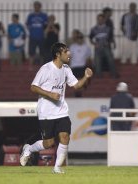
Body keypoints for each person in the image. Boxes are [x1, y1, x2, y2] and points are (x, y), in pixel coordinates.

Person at [20, 42, 93, 173]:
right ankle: (28, 149)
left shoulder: (66, 69)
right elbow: (33, 87)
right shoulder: (46, 69)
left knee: (65, 137)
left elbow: (76, 85)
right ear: (58, 54)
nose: (69, 53)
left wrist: (86, 77)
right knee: (48, 143)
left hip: (61, 111)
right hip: (46, 112)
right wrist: (49, 94)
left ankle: (57, 167)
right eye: (66, 51)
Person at [90, 13, 119, 78]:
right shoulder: (94, 29)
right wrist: (94, 44)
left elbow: (111, 38)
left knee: (110, 60)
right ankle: (98, 75)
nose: (100, 21)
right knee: (97, 61)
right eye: (98, 19)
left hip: (106, 47)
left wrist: (110, 43)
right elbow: (90, 38)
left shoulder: (108, 29)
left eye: (101, 19)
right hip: (98, 47)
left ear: (104, 20)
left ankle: (113, 74)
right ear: (97, 20)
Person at [69, 31, 92, 97]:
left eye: (81, 37)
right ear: (76, 39)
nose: (79, 39)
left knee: (84, 80)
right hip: (74, 66)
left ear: (83, 38)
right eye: (78, 37)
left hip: (82, 66)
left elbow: (88, 58)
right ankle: (77, 93)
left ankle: (81, 92)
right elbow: (69, 58)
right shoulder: (72, 47)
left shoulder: (86, 47)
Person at [26, 1, 48, 65]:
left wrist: (44, 32)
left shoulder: (44, 15)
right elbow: (27, 24)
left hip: (41, 37)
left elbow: (46, 25)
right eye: (35, 6)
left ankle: (42, 66)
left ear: (40, 7)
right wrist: (31, 30)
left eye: (37, 6)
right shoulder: (31, 15)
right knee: (31, 52)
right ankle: (30, 66)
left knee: (42, 52)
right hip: (32, 37)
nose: (36, 7)